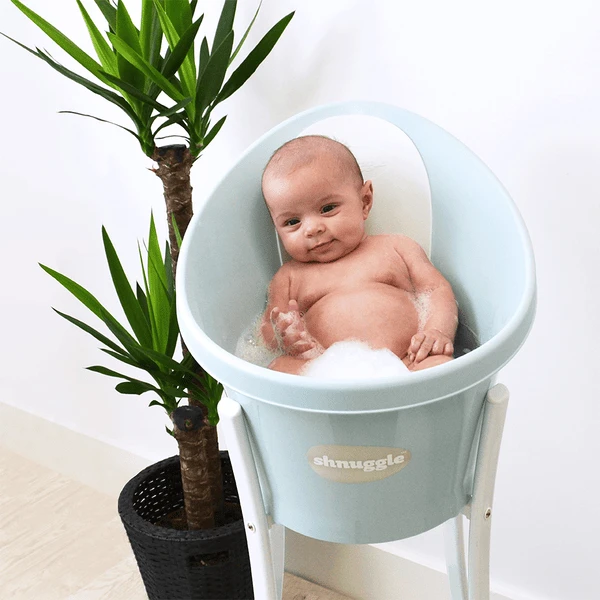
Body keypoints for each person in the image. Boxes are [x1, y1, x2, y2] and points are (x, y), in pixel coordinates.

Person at [260, 135, 457, 375]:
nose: (312, 229)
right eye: (292, 222)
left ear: (365, 201)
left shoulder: (396, 248)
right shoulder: (289, 277)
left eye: (327, 208)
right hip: (323, 374)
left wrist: (437, 331)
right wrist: (284, 337)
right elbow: (268, 330)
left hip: (409, 363)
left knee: (442, 367)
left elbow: (437, 290)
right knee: (277, 368)